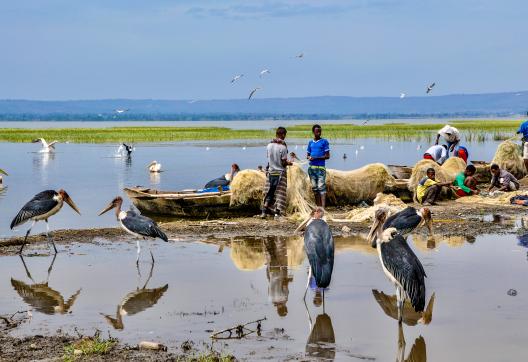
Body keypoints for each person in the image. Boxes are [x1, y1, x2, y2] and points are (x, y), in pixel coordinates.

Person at [261, 127, 293, 218]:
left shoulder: (269, 146)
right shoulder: (283, 147)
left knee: (270, 192)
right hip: (280, 173)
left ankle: (264, 211)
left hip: (271, 172)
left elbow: (269, 158)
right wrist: (289, 163)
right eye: (285, 135)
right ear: (282, 134)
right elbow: (283, 163)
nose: (285, 137)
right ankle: (277, 213)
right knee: (280, 194)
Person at [307, 124, 330, 208]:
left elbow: (327, 156)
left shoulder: (324, 142)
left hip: (320, 168)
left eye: (320, 131)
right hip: (311, 168)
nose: (319, 133)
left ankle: (323, 208)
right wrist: (309, 157)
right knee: (314, 188)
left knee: (321, 187)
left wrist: (316, 158)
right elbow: (307, 155)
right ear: (313, 132)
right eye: (317, 131)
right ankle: (318, 207)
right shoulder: (310, 143)